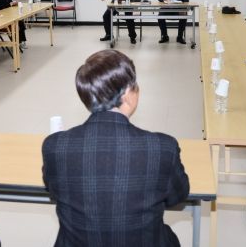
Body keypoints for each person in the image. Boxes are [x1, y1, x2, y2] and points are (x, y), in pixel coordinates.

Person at [42, 50, 190, 247]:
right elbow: (177, 197)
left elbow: (53, 190)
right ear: (127, 94)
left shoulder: (54, 146)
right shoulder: (163, 148)